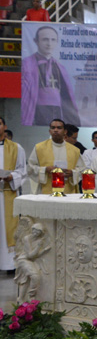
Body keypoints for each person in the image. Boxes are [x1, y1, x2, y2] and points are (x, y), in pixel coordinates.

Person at [21, 26, 80, 126]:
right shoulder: (27, 63)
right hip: (37, 110)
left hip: (57, 110)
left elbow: (67, 94)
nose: (49, 44)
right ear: (36, 41)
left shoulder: (60, 67)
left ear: (57, 42)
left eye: (53, 40)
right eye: (45, 39)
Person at [27, 118, 84, 194]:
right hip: (46, 190)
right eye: (53, 128)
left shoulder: (74, 150)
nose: (56, 130)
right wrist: (45, 169)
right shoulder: (39, 148)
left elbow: (82, 169)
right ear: (50, 131)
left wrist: (72, 173)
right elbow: (30, 168)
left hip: (68, 191)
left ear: (65, 132)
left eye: (59, 128)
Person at [0, 117, 27, 274]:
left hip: (7, 193)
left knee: (8, 229)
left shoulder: (17, 148)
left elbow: (22, 170)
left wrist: (11, 177)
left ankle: (9, 265)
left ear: (5, 126)